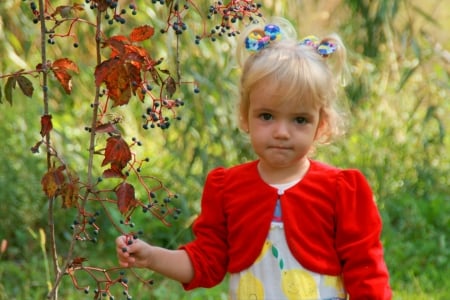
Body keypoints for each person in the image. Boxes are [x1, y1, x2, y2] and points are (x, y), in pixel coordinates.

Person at [116, 17, 392, 299]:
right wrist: (152, 257)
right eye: (267, 116)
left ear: (320, 124)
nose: (282, 132)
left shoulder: (341, 190)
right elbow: (206, 262)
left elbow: (366, 273)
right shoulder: (228, 188)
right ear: (245, 116)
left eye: (299, 119)